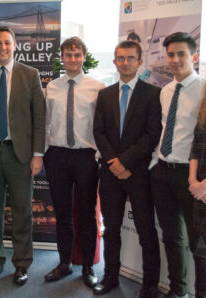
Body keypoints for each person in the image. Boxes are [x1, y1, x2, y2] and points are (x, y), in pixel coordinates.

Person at [0, 26, 45, 286]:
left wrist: (37, 154)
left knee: (23, 211)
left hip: (20, 154)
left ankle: (22, 264)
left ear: (15, 46)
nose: (3, 47)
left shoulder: (30, 75)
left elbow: (39, 117)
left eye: (7, 43)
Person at [93, 40, 161, 297]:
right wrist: (114, 162)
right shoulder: (105, 94)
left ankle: (150, 285)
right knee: (110, 229)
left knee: (146, 230)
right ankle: (110, 275)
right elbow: (98, 132)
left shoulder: (153, 94)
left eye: (130, 58)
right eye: (120, 58)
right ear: (114, 61)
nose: (125, 62)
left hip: (138, 173)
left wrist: (125, 162)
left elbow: (152, 134)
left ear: (139, 61)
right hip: (110, 173)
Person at [43, 36, 104, 288]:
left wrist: (100, 154)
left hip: (85, 157)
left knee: (87, 213)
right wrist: (43, 152)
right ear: (61, 58)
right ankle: (64, 263)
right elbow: (45, 123)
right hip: (57, 156)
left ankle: (88, 266)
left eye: (77, 54)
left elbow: (102, 126)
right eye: (68, 55)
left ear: (83, 57)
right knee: (63, 213)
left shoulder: (98, 88)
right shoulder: (51, 88)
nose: (72, 59)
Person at [150, 32, 206, 298]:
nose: (174, 59)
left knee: (199, 243)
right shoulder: (165, 91)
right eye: (170, 54)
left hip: (191, 177)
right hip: (162, 172)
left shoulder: (205, 90)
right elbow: (164, 130)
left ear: (194, 56)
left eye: (181, 54)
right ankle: (178, 290)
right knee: (172, 237)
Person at [189, 84, 206, 298]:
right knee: (199, 249)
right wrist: (193, 181)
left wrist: (203, 186)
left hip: (203, 188)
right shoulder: (203, 108)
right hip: (198, 190)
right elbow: (195, 147)